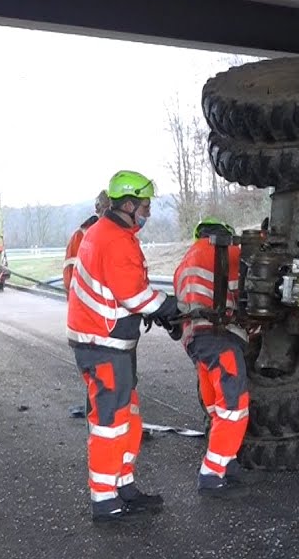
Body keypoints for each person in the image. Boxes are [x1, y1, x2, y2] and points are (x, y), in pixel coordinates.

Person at [66, 171, 181, 524]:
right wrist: (170, 307)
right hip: (102, 344)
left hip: (108, 341)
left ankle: (123, 485)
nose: (148, 213)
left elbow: (124, 292)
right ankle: (104, 500)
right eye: (145, 206)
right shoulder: (115, 239)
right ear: (128, 205)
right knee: (110, 423)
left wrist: (156, 310)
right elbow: (133, 295)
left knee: (127, 416)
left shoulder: (107, 232)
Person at [172, 216, 251, 497]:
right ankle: (212, 474)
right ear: (225, 234)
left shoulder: (184, 262)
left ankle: (227, 462)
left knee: (216, 405)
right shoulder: (229, 251)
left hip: (195, 342)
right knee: (233, 406)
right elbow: (251, 292)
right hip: (220, 338)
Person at [62, 190, 109, 291]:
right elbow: (70, 279)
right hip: (88, 303)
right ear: (99, 210)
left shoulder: (119, 237)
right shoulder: (80, 236)